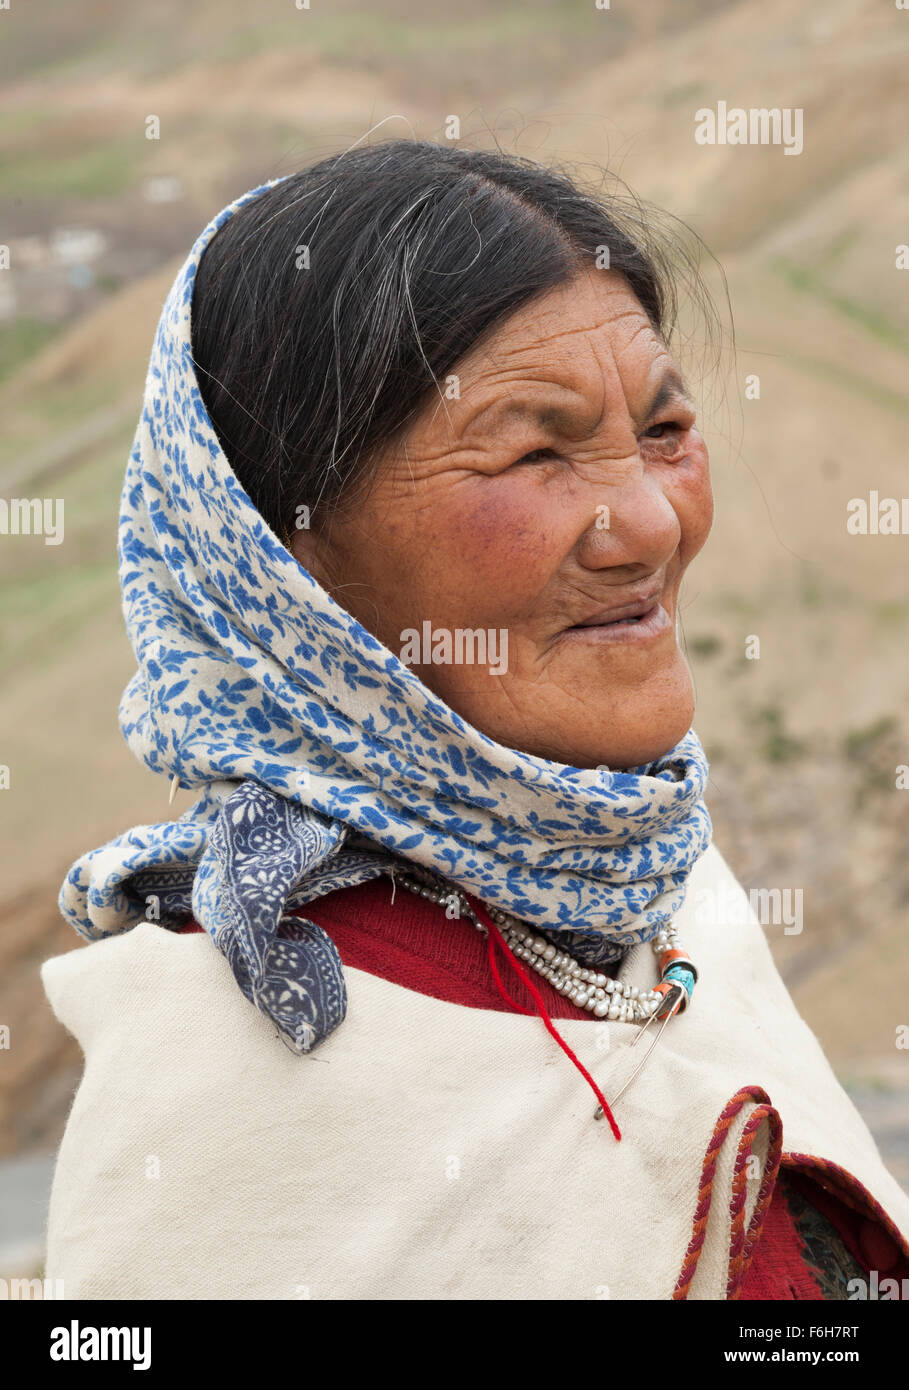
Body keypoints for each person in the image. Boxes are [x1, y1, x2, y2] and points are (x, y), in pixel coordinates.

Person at [41, 141, 909, 1300]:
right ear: (285, 559)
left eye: (663, 432)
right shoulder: (234, 1096)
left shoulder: (665, 893)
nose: (650, 522)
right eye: (536, 450)